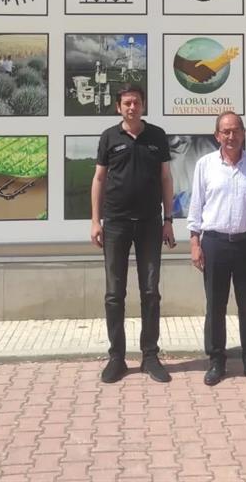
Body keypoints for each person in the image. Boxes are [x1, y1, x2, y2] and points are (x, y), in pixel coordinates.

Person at [91, 84, 176, 384]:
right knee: (115, 293)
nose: (132, 107)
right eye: (126, 103)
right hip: (116, 223)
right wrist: (95, 221)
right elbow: (99, 179)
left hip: (150, 224)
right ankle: (117, 357)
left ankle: (150, 356)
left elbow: (166, 178)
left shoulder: (157, 136)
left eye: (136, 102)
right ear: (119, 107)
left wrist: (168, 219)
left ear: (143, 105)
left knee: (150, 291)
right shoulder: (109, 137)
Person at [187, 111, 246, 387]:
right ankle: (216, 362)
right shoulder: (205, 165)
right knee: (215, 306)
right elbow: (196, 207)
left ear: (244, 133)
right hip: (215, 244)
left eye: (236, 130)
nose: (231, 136)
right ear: (217, 135)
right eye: (225, 131)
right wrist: (194, 243)